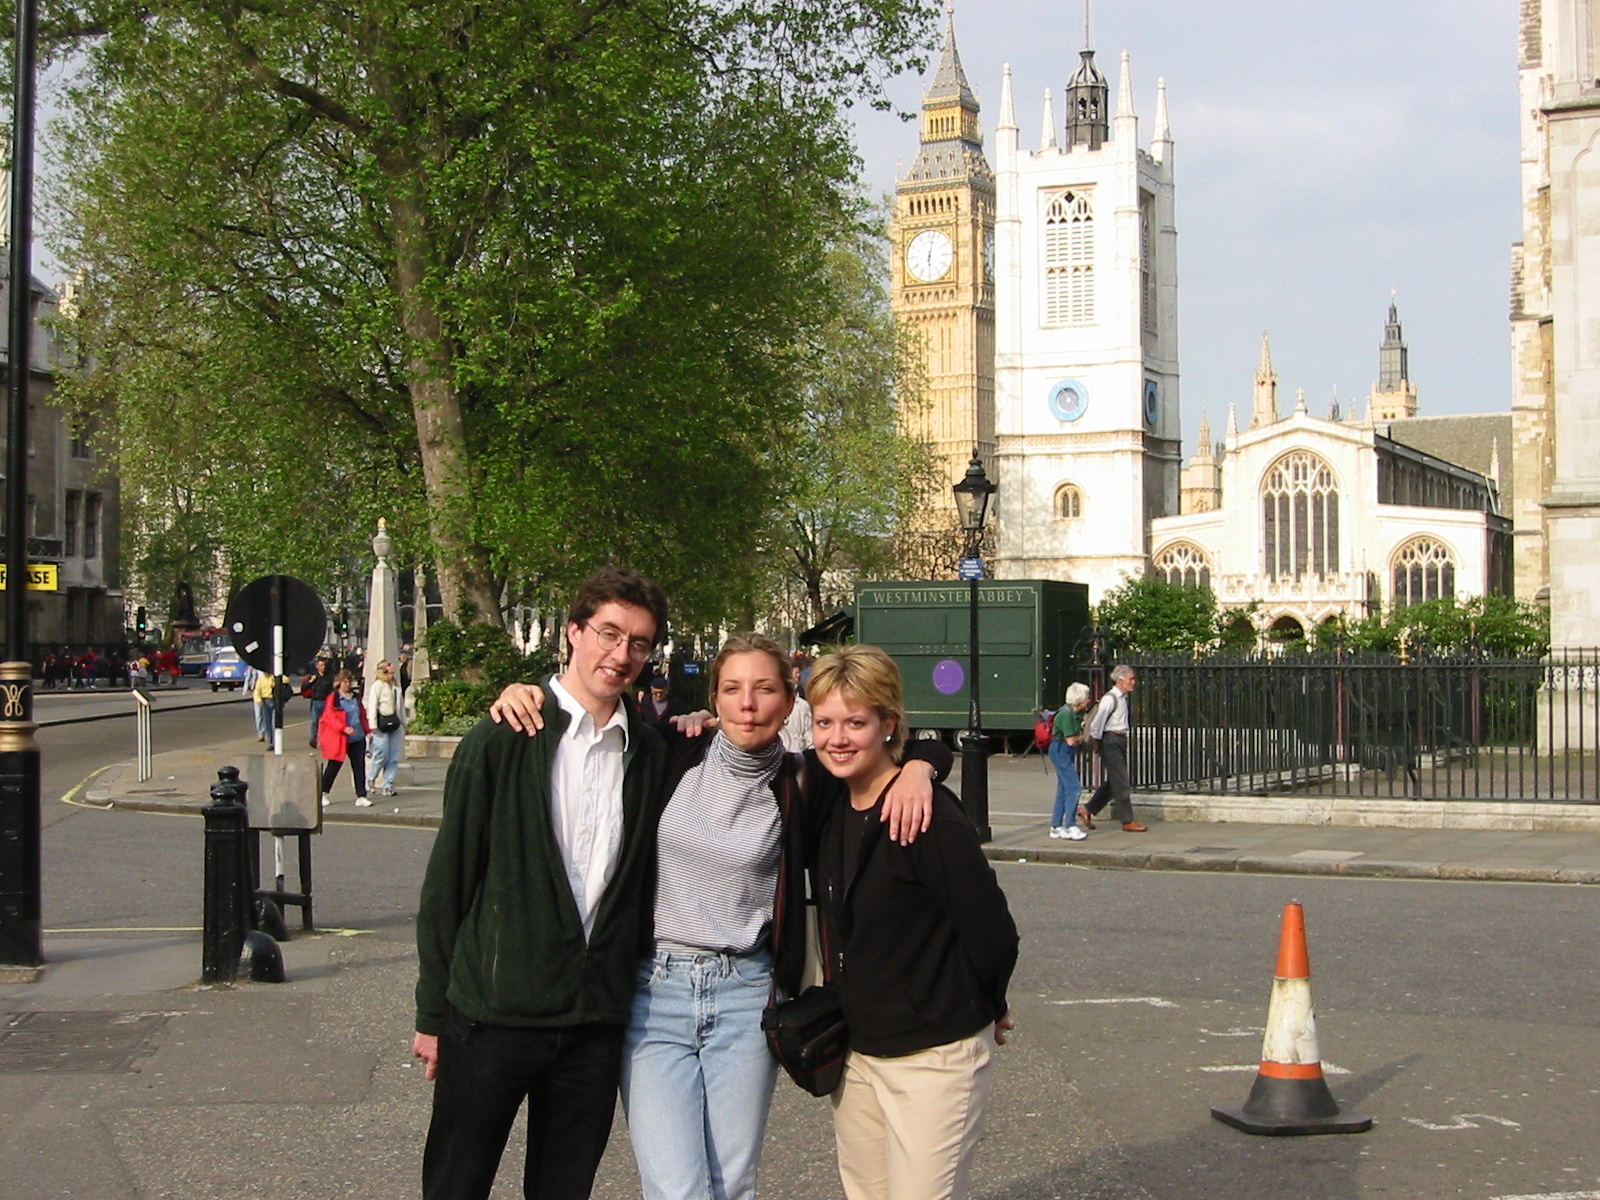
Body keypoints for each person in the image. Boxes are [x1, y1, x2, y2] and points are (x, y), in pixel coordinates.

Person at [487, 635, 946, 1200]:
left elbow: (892, 749)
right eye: (732, 689)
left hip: (745, 996)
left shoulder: (806, 781)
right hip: (655, 994)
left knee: (732, 1185)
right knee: (675, 1186)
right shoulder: (670, 752)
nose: (747, 703)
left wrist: (921, 768)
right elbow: (590, 723)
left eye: (764, 689)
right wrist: (526, 692)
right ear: (715, 699)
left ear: (789, 703)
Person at [412, 567, 671, 1200]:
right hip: (492, 1016)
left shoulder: (654, 753)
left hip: (593, 1022)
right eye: (609, 634)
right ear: (574, 633)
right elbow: (449, 880)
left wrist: (920, 761)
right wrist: (431, 1013)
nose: (621, 655)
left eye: (639, 643)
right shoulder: (504, 737)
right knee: (456, 1183)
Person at [807, 645, 1019, 1200]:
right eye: (824, 722)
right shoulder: (832, 798)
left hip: (934, 1057)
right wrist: (925, 760)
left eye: (856, 722)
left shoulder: (928, 817)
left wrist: (989, 1004)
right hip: (857, 1053)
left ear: (887, 725)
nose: (838, 738)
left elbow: (993, 931)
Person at [1082, 664, 1146, 832]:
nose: (1134, 682)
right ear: (1120, 680)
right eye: (1131, 679)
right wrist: (1097, 744)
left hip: (1118, 740)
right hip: (1110, 740)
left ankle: (1088, 809)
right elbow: (1097, 724)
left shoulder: (1122, 698)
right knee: (1122, 782)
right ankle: (1127, 820)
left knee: (1113, 781)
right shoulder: (1110, 699)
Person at [318, 669, 371, 808]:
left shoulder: (355, 697)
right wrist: (344, 728)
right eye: (344, 682)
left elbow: (362, 714)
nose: (347, 685)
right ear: (339, 683)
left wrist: (367, 730)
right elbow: (330, 717)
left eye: (349, 681)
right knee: (334, 766)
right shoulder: (333, 698)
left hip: (357, 737)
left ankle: (361, 795)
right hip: (340, 739)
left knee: (359, 767)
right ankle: (323, 793)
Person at [1048, 683, 1092, 840]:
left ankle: (1056, 826)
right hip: (1061, 751)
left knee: (1063, 788)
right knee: (1074, 788)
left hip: (1061, 750)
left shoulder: (1073, 713)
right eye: (1087, 697)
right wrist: (1083, 737)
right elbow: (1071, 741)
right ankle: (1070, 825)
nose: (1089, 700)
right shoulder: (1066, 715)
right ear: (1079, 699)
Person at [365, 659, 404, 797]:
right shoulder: (378, 685)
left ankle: (388, 785)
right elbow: (372, 705)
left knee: (393, 756)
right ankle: (371, 779)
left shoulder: (395, 686)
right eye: (389, 665)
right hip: (381, 723)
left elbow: (400, 707)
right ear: (384, 669)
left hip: (394, 722)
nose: (393, 666)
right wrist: (372, 725)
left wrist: (403, 723)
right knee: (381, 753)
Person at [306, 657, 335, 747]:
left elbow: (332, 690)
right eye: (320, 665)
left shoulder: (329, 677)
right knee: (314, 721)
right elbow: (305, 687)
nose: (321, 667)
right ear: (316, 666)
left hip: (326, 702)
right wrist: (311, 681)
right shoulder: (314, 676)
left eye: (323, 665)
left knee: (326, 723)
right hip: (315, 701)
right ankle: (313, 739)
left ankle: (325, 739)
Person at [252, 666, 279, 743]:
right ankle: (270, 741)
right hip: (265, 701)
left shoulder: (274, 678)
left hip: (274, 700)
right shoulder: (260, 680)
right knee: (267, 723)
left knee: (275, 722)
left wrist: (276, 683)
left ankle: (275, 741)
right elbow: (257, 691)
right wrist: (259, 700)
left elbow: (285, 679)